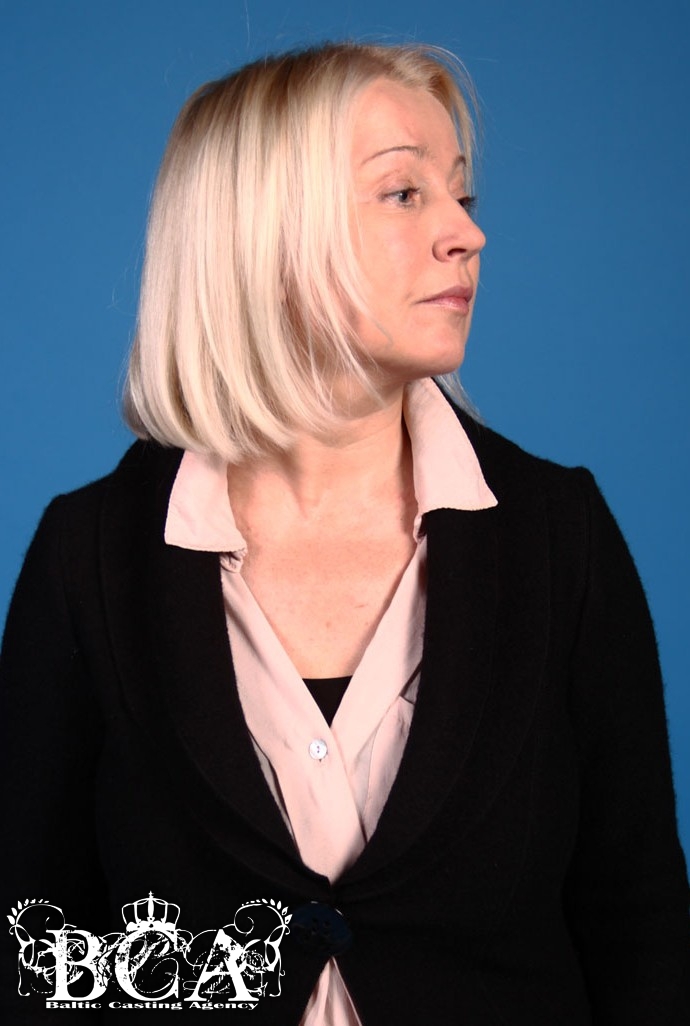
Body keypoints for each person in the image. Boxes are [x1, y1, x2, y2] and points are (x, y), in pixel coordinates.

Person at [1, 41, 688, 1025]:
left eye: (462, 195)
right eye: (404, 194)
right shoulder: (89, 558)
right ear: (265, 236)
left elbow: (643, 930)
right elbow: (33, 943)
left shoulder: (558, 537)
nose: (467, 234)